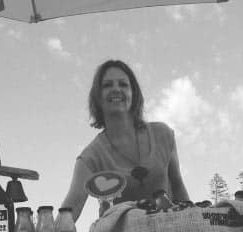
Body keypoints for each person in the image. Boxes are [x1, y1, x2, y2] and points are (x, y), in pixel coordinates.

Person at [61, 59, 190, 221]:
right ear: (97, 97)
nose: (116, 89)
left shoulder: (163, 135)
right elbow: (68, 212)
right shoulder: (89, 158)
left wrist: (192, 222)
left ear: (134, 93)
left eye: (123, 84)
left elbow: (179, 188)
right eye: (107, 85)